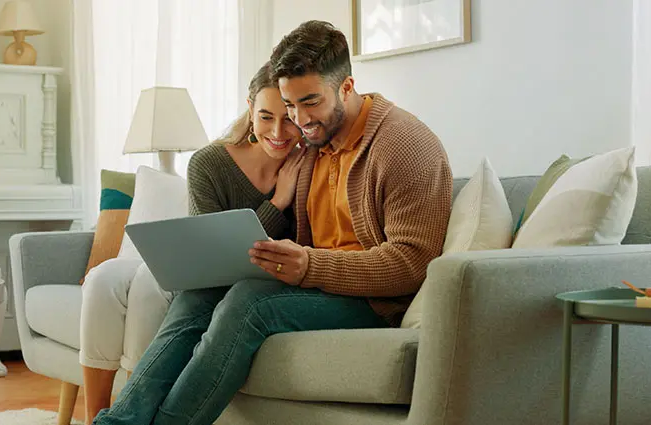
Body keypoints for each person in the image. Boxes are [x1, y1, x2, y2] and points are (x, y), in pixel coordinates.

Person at [92, 20, 453, 425]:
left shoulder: (404, 145)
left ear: (347, 87)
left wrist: (311, 265)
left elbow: (412, 264)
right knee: (199, 297)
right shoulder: (314, 143)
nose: (299, 120)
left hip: (374, 301)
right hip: (319, 285)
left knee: (250, 302)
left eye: (310, 102)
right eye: (290, 105)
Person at [80, 62, 305, 423]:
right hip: (212, 282)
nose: (278, 132)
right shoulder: (210, 164)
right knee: (193, 301)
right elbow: (213, 262)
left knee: (198, 303)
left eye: (288, 118)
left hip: (270, 284)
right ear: (250, 110)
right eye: (265, 117)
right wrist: (277, 203)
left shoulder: (308, 165)